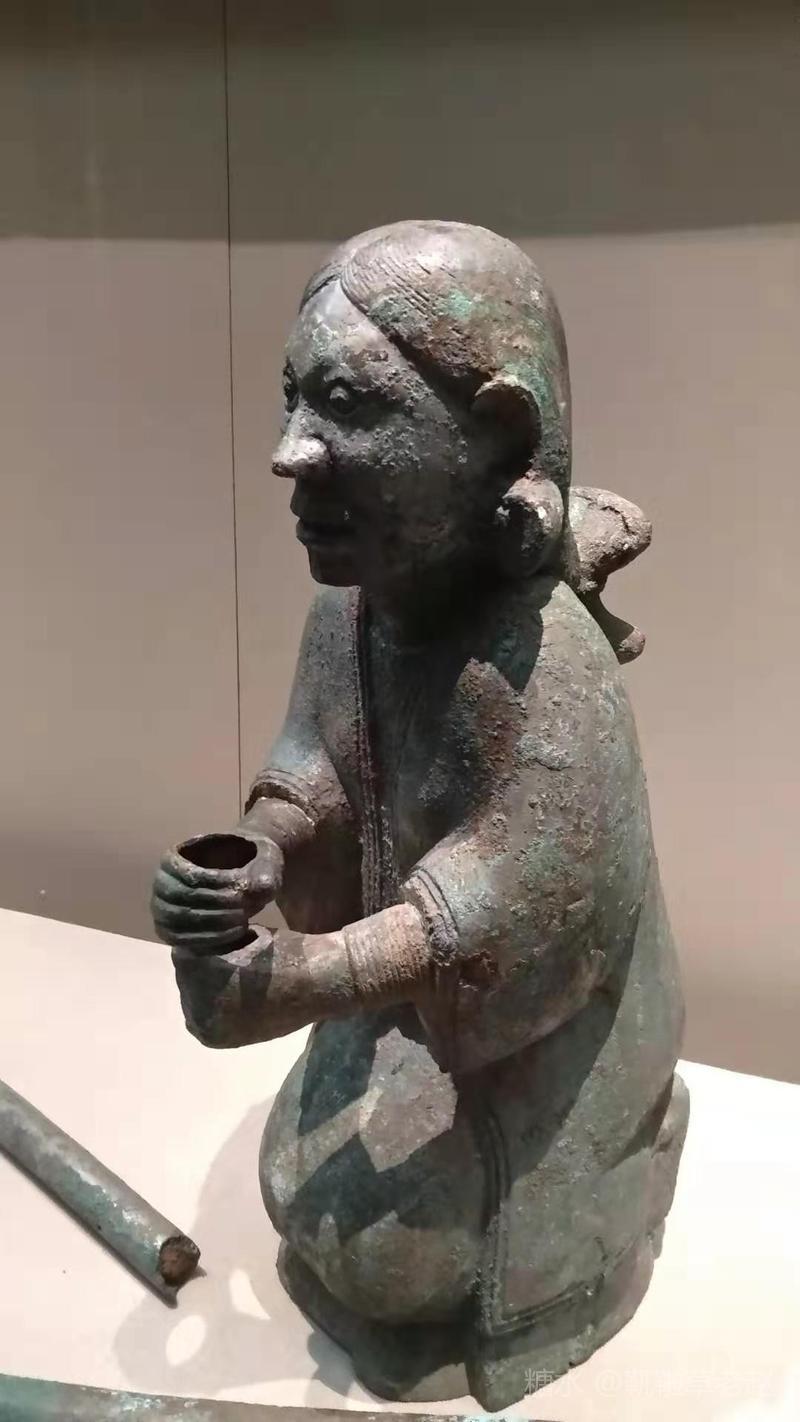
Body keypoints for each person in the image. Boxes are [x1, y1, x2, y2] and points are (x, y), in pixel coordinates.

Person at [152, 221, 688, 1409]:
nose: (291, 452)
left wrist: (308, 976)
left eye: (347, 407)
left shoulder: (543, 661)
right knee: (300, 1189)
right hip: (412, 1008)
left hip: (530, 1045)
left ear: (494, 435)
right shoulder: (348, 616)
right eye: (293, 397)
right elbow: (315, 768)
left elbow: (516, 905)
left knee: (390, 1259)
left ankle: (626, 1161)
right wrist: (258, 856)